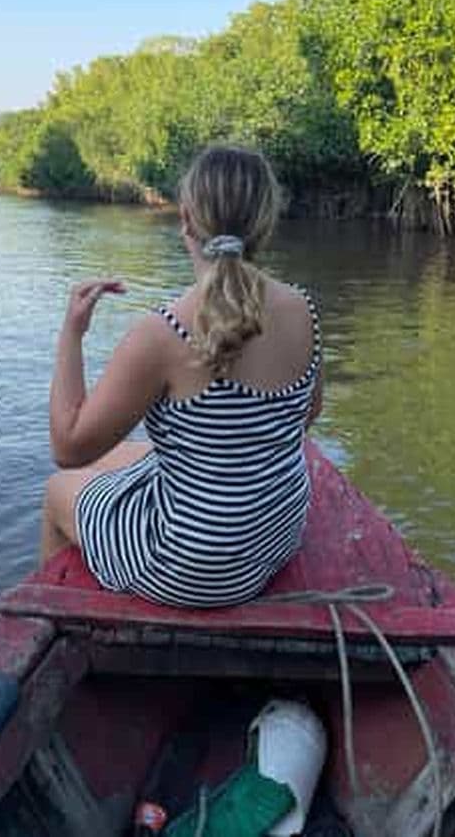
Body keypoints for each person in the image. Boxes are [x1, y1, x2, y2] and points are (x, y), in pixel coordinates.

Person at [41, 144, 323, 607]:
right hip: (277, 537)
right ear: (267, 218)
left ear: (186, 218)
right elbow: (307, 414)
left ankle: (56, 619)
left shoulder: (162, 333)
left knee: (57, 493)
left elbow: (68, 448)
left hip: (193, 568)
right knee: (138, 453)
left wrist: (72, 333)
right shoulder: (304, 309)